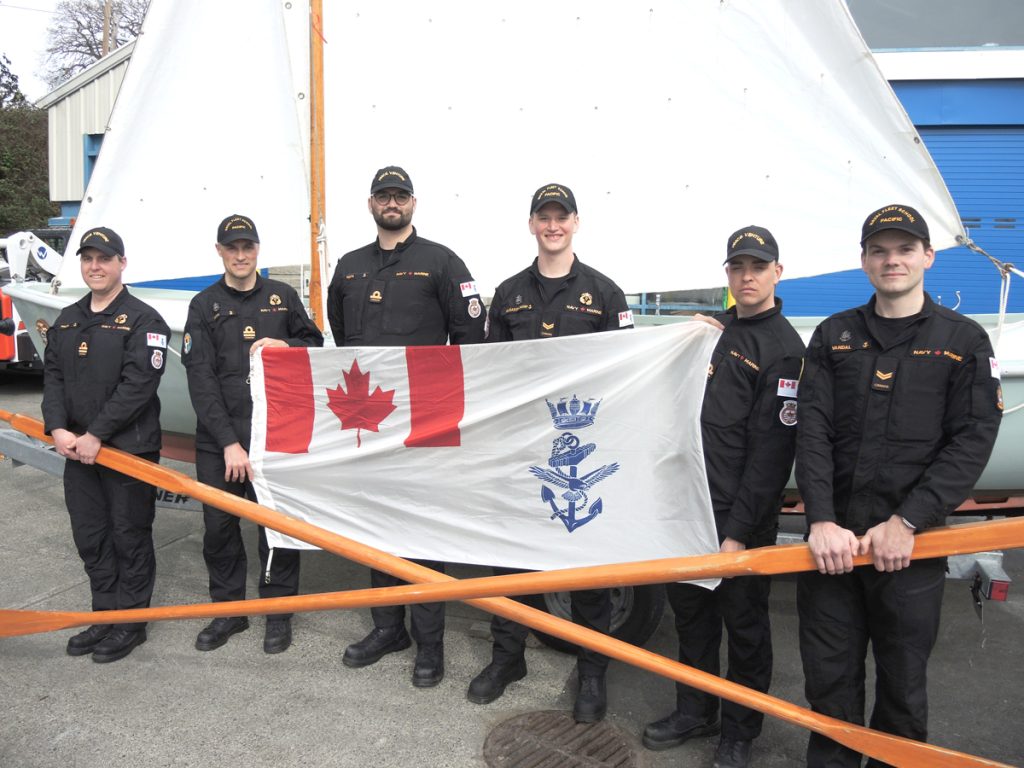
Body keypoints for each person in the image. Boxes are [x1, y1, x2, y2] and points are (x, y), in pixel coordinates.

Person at [795, 204, 1002, 767]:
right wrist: (820, 519)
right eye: (880, 250)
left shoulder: (962, 340)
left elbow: (973, 438)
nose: (893, 261)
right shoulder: (834, 335)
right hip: (831, 549)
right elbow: (811, 432)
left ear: (928, 257)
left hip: (910, 550)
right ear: (864, 261)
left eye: (905, 249)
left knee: (903, 692)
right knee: (829, 691)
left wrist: (907, 520)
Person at [468, 182, 634, 723]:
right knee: (508, 559)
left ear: (576, 223)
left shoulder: (605, 294)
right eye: (544, 216)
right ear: (533, 224)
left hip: (582, 452)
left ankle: (591, 674)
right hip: (520, 448)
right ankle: (506, 657)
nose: (553, 225)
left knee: (584, 566)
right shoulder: (510, 292)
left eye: (561, 216)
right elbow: (491, 371)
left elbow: (630, 368)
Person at [642, 226, 804, 768]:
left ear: (778, 273)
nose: (748, 276)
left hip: (740, 520)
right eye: (738, 268)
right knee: (692, 618)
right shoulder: (714, 331)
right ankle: (695, 709)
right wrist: (682, 338)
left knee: (746, 630)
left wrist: (737, 533)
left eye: (758, 267)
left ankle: (739, 729)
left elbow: (772, 456)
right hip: (689, 507)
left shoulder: (785, 350)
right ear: (728, 276)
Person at [327, 166, 485, 687]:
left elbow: (469, 337)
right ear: (371, 203)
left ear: (413, 202)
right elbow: (338, 331)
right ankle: (387, 627)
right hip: (368, 423)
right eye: (383, 196)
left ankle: (430, 644)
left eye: (399, 195)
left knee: (423, 528)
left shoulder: (441, 262)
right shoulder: (349, 267)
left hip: (425, 421)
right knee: (375, 526)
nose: (391, 203)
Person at [182, 214, 323, 655]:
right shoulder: (203, 306)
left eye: (248, 247)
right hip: (220, 441)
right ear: (220, 251)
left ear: (258, 249)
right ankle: (228, 612)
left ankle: (278, 614)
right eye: (232, 248)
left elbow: (316, 347)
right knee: (219, 529)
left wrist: (288, 347)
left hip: (275, 438)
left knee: (277, 531)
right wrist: (229, 443)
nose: (240, 255)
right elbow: (200, 379)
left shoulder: (281, 297)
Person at [42, 226, 170, 663]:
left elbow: (138, 386)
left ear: (121, 264)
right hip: (77, 450)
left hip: (127, 451)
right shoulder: (68, 318)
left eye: (104, 259)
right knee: (91, 536)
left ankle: (130, 623)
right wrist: (57, 428)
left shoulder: (143, 319)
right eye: (88, 259)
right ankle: (105, 614)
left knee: (128, 535)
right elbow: (54, 377)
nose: (95, 267)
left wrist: (96, 434)